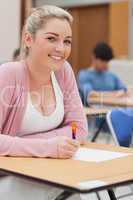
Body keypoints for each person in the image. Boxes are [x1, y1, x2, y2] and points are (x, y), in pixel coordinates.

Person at [0, 5, 88, 200]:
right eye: (51, 38)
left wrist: (44, 145)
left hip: (50, 172)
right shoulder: (8, 74)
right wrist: (48, 146)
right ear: (28, 39)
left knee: (77, 193)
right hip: (9, 178)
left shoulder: (63, 71)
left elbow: (79, 129)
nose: (61, 48)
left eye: (67, 41)